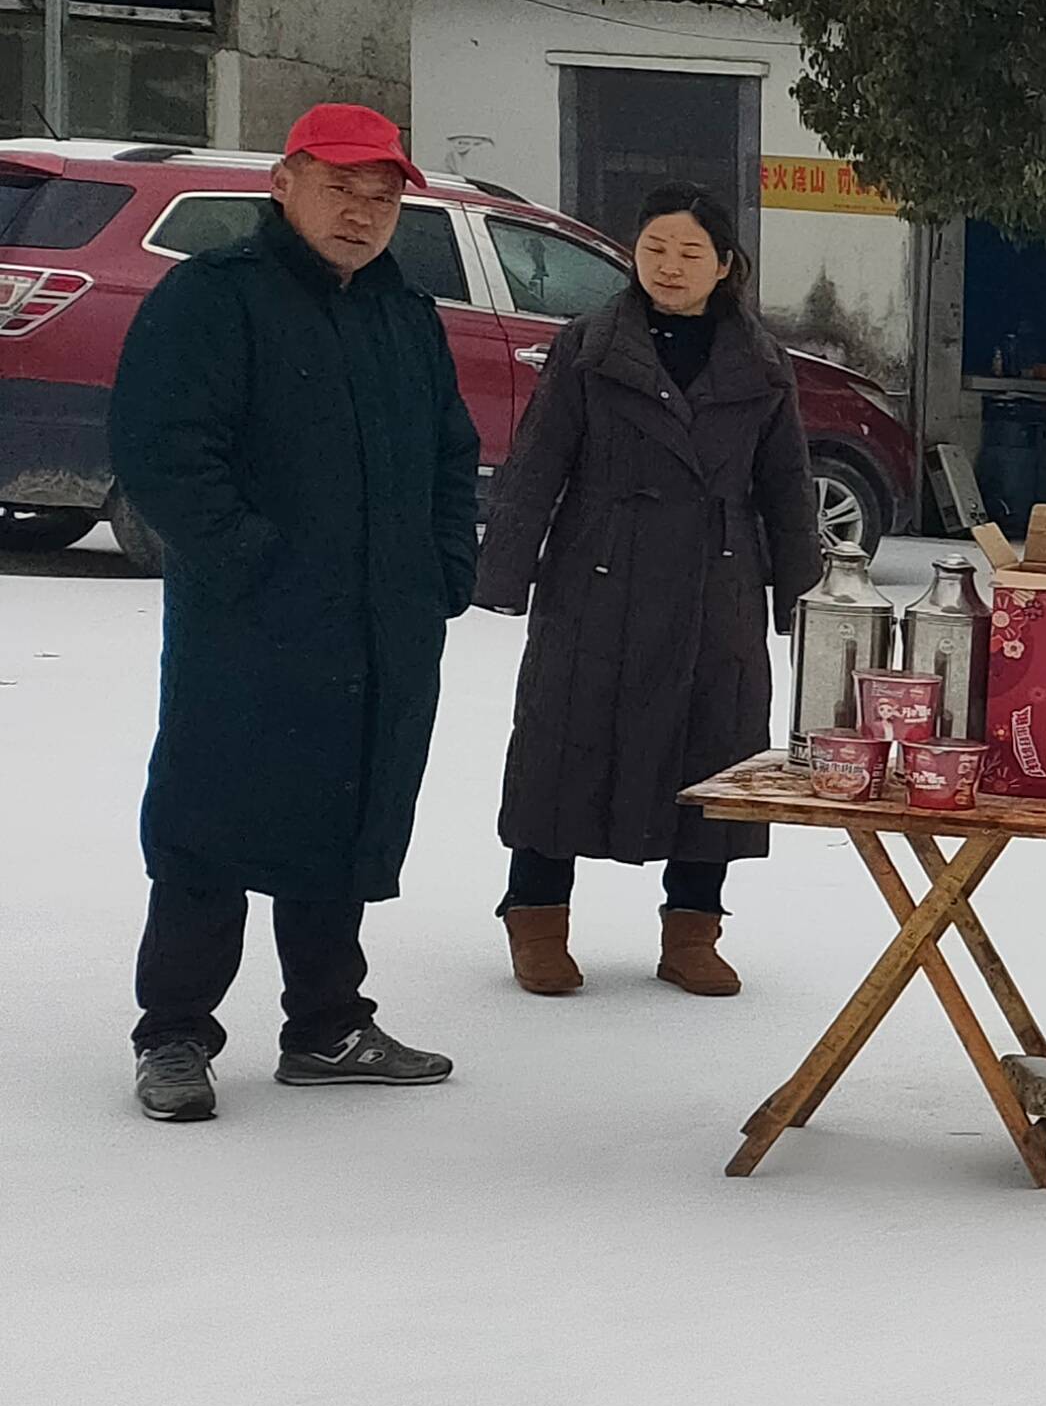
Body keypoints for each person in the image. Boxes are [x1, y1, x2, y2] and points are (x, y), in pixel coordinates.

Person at [110, 102, 482, 1122]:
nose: (362, 212)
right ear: (284, 182)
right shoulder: (214, 298)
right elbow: (162, 449)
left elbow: (453, 456)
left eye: (382, 194)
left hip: (382, 622)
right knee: (209, 822)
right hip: (252, 623)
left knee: (346, 814)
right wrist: (247, 563)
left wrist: (445, 566)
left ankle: (327, 1023)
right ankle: (175, 1032)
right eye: (340, 187)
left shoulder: (407, 316)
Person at [473, 181, 823, 998]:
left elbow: (787, 484)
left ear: (725, 265)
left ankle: (693, 930)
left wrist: (799, 591)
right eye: (655, 248)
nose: (669, 265)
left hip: (718, 578)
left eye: (689, 252)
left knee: (714, 748)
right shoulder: (591, 346)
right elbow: (538, 460)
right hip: (600, 571)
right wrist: (506, 571)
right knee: (565, 743)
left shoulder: (761, 363)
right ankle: (536, 917)